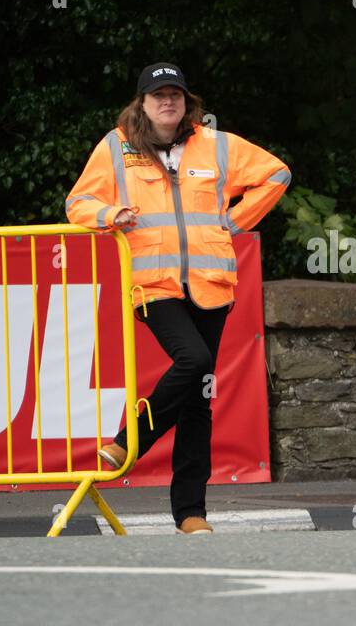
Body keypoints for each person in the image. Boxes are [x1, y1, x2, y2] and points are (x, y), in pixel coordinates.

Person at [66, 62, 291, 534]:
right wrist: (110, 214)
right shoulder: (116, 146)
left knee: (198, 401)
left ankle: (191, 513)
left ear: (187, 102)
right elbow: (77, 203)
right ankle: (129, 442)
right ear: (142, 103)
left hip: (212, 284)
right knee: (194, 360)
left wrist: (233, 222)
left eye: (175, 94)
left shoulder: (216, 144)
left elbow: (277, 174)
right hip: (153, 285)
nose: (167, 102)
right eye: (158, 95)